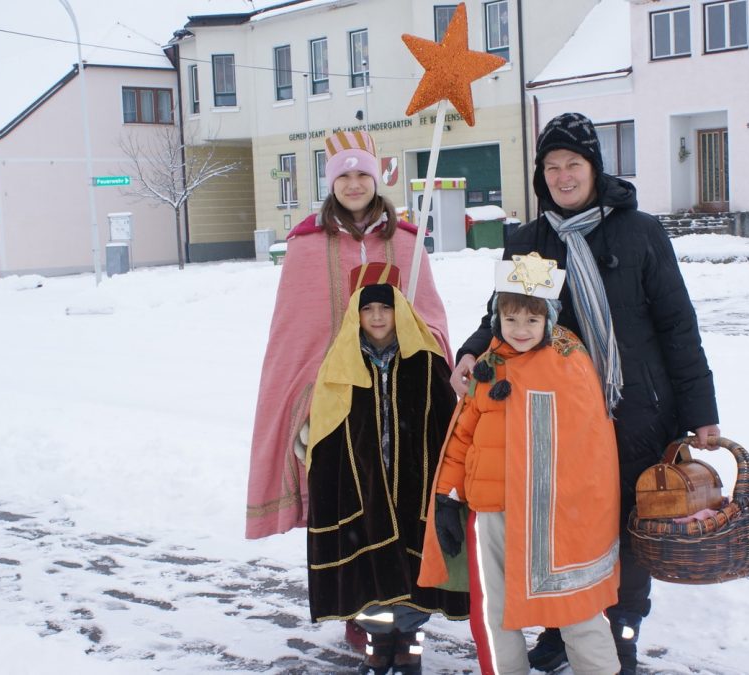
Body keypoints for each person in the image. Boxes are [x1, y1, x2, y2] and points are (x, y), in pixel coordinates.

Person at [449, 112, 721, 675]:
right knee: (556, 523)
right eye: (551, 166)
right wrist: (471, 352)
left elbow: (677, 325)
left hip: (634, 412)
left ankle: (620, 632)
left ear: (594, 168)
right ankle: (559, 629)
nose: (563, 175)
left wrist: (702, 414)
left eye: (573, 164)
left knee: (625, 526)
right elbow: (502, 321)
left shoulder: (640, 231)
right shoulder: (530, 241)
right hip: (553, 418)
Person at [245, 129, 453, 654]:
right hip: (341, 404)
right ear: (331, 182)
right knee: (350, 508)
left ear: (378, 177)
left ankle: (404, 610)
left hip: (400, 402)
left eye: (363, 173)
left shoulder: (407, 239)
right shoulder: (307, 246)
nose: (355, 183)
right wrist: (305, 402)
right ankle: (359, 609)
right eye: (344, 175)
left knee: (404, 508)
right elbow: (293, 336)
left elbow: (431, 320)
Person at [420, 253, 622, 675]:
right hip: (490, 511)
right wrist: (445, 496)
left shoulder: (570, 363)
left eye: (532, 320)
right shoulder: (488, 364)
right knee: (492, 611)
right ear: (497, 320)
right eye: (511, 320)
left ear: (548, 319)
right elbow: (462, 436)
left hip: (553, 519)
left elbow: (590, 448)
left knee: (577, 604)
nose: (521, 330)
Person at [305, 263, 468, 674]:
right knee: (370, 565)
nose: (377, 317)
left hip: (414, 482)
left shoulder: (426, 362)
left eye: (385, 308)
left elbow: (447, 425)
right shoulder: (341, 365)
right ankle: (379, 644)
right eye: (368, 309)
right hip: (363, 486)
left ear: (399, 311)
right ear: (356, 316)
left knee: (415, 567)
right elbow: (325, 425)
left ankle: (409, 646)